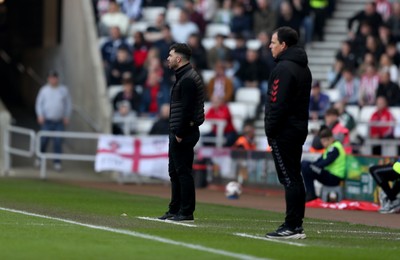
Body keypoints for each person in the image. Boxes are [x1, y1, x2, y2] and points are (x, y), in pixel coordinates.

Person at [264, 26, 311, 239]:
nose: (270, 46)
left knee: (290, 178)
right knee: (295, 176)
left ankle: (292, 225)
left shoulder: (283, 69)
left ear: (283, 45)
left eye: (273, 42)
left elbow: (277, 103)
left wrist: (270, 130)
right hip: (297, 128)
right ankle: (295, 224)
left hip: (284, 130)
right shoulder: (303, 68)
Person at [158, 43, 205, 222]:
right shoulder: (184, 76)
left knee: (182, 172)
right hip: (179, 130)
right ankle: (175, 208)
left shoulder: (188, 79)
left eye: (170, 55)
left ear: (179, 59)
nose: (168, 58)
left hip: (183, 132)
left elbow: (187, 109)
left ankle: (186, 212)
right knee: (175, 171)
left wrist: (180, 132)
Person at [35, 70, 72, 171]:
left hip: (59, 121)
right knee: (44, 140)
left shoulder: (63, 90)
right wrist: (40, 115)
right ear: (48, 79)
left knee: (58, 141)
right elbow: (39, 103)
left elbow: (68, 104)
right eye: (51, 78)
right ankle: (39, 158)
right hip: (47, 120)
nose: (53, 80)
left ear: (57, 78)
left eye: (54, 77)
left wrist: (66, 116)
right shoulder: (44, 90)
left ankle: (57, 162)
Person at [301, 127, 346, 202]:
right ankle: (310, 193)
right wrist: (312, 166)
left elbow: (326, 162)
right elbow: (319, 161)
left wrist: (312, 167)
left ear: (331, 138)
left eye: (325, 141)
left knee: (306, 166)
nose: (323, 144)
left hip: (334, 178)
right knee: (305, 165)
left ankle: (311, 194)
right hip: (329, 175)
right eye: (322, 141)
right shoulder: (330, 148)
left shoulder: (335, 148)